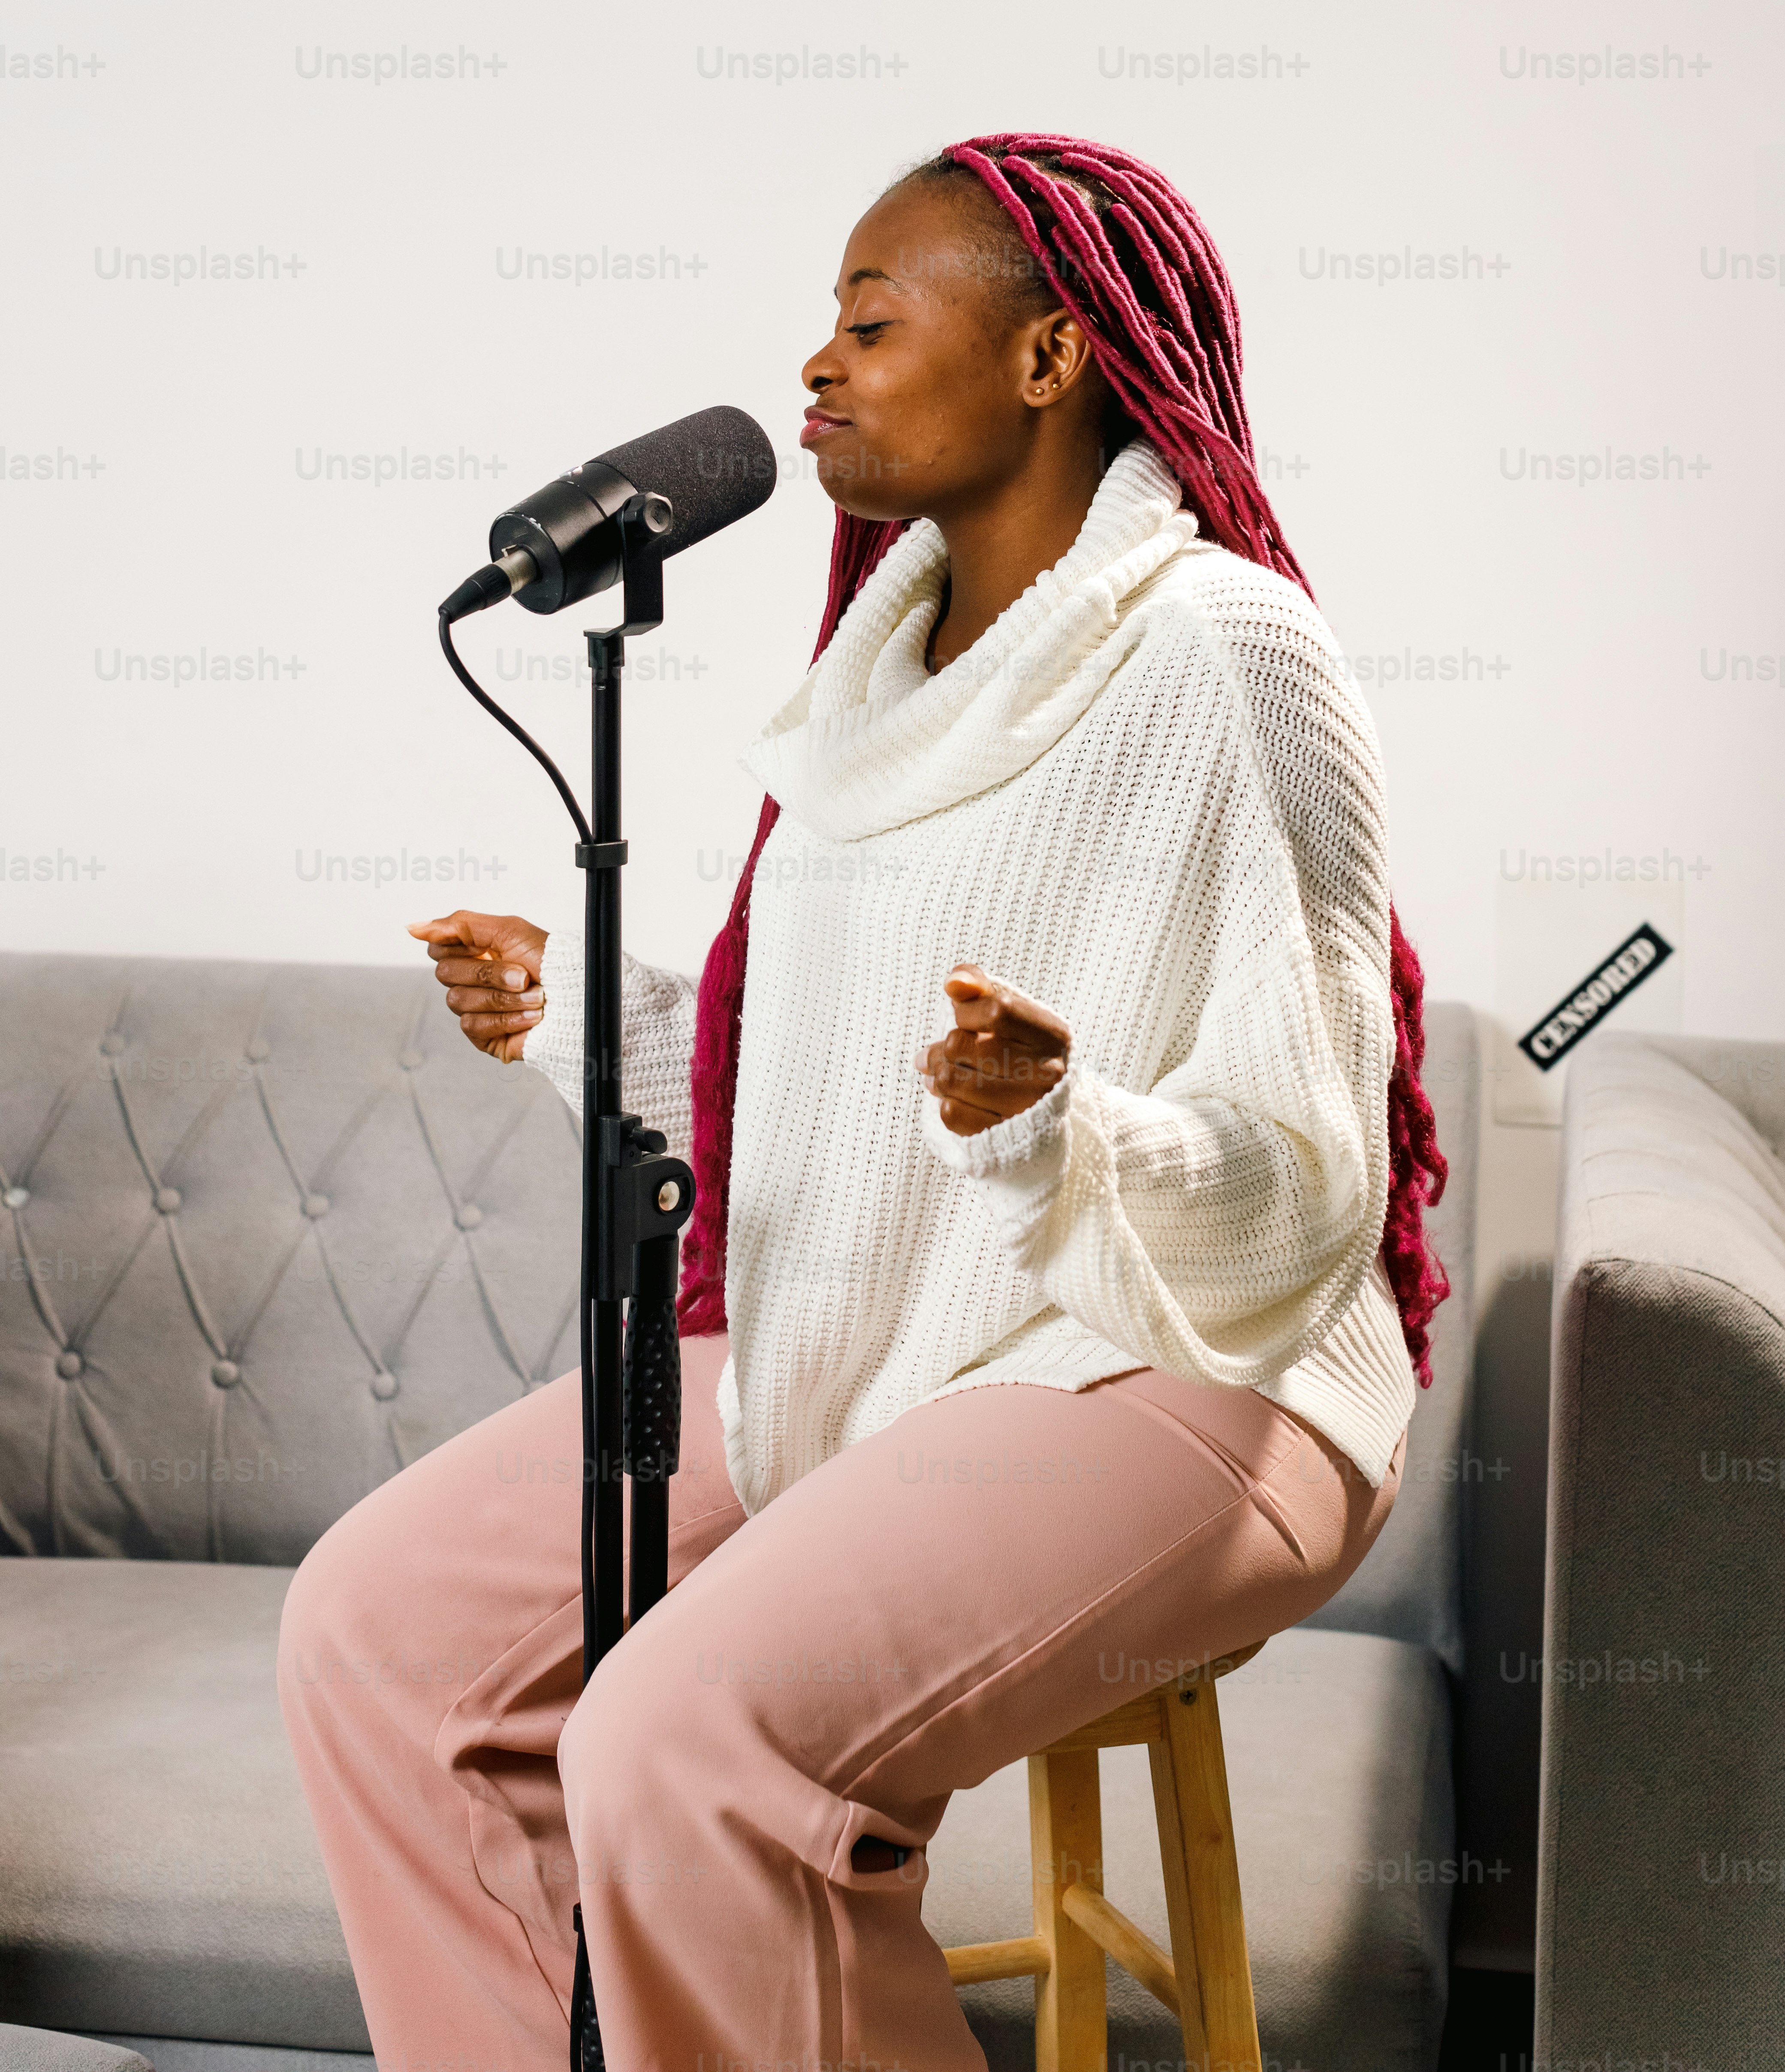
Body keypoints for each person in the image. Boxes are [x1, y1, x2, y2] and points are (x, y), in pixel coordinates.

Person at [280, 132, 1448, 2072]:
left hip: (1190, 1364)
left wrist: (1067, 1129)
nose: (813, 368)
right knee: (378, 1633)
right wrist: (569, 1013)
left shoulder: (1231, 657)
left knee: (693, 1733)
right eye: (821, 323)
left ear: (1053, 358)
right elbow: (800, 1109)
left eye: (871, 320)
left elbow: (1312, 1177)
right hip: (888, 1334)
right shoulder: (870, 678)